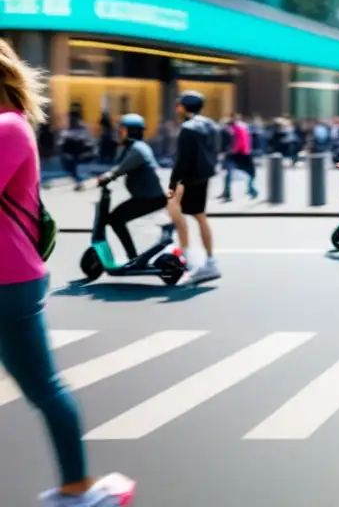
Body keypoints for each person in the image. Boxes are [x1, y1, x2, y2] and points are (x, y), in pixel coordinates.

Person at [0, 39, 136, 506]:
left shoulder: (8, 128)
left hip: (7, 280)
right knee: (44, 388)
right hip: (13, 278)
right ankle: (78, 488)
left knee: (44, 387)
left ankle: (79, 489)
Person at [97, 114, 167, 260]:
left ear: (131, 132)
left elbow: (122, 168)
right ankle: (132, 256)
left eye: (122, 130)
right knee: (116, 218)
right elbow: (120, 166)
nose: (119, 133)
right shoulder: (135, 147)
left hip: (150, 198)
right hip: (147, 197)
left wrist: (108, 177)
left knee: (116, 219)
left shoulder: (138, 149)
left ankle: (132, 256)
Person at [167, 91, 220, 284]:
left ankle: (192, 259)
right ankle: (203, 259)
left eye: (179, 104)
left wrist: (173, 185)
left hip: (190, 179)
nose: (177, 108)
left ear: (185, 106)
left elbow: (181, 160)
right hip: (204, 177)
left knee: (176, 211)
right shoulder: (211, 125)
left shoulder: (188, 128)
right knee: (198, 216)